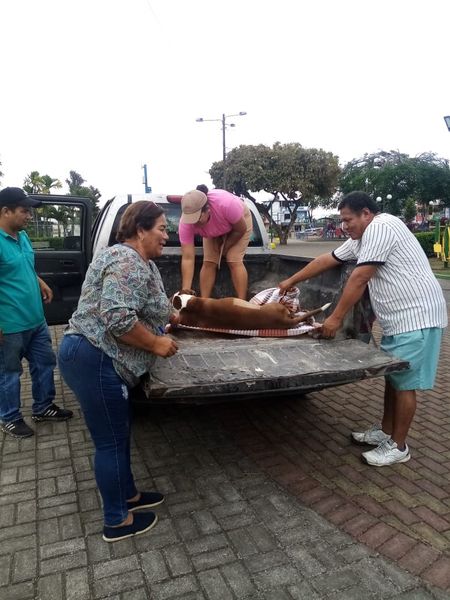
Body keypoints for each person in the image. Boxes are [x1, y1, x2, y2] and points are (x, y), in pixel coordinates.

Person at [279, 191, 447, 467]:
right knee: (394, 379)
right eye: (342, 221)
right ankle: (386, 431)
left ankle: (399, 446)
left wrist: (335, 318)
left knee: (405, 384)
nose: (344, 226)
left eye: (348, 220)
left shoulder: (381, 226)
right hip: (398, 321)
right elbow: (328, 259)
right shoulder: (363, 238)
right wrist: (291, 280)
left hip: (417, 318)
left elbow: (360, 277)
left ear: (366, 214)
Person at [58, 201, 179, 542]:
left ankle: (129, 496)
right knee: (110, 442)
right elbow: (118, 318)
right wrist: (156, 344)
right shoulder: (127, 261)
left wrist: (171, 317)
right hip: (95, 358)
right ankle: (116, 520)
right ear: (140, 230)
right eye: (162, 229)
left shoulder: (142, 263)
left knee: (119, 434)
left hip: (98, 358)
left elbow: (146, 306)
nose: (166, 236)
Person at [0, 187, 73, 439]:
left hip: (36, 319)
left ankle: (43, 407)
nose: (29, 216)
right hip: (10, 325)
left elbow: (24, 267)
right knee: (9, 373)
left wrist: (39, 281)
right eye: (24, 211)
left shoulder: (22, 237)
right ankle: (10, 417)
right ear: (5, 211)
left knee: (44, 363)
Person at [179, 186, 253, 299]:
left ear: (207, 210)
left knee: (233, 258)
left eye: (196, 219)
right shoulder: (186, 223)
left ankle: (242, 303)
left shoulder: (227, 204)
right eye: (190, 220)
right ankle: (204, 302)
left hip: (239, 224)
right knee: (209, 261)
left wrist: (225, 248)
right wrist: (185, 291)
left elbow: (240, 230)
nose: (194, 224)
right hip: (212, 230)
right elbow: (188, 257)